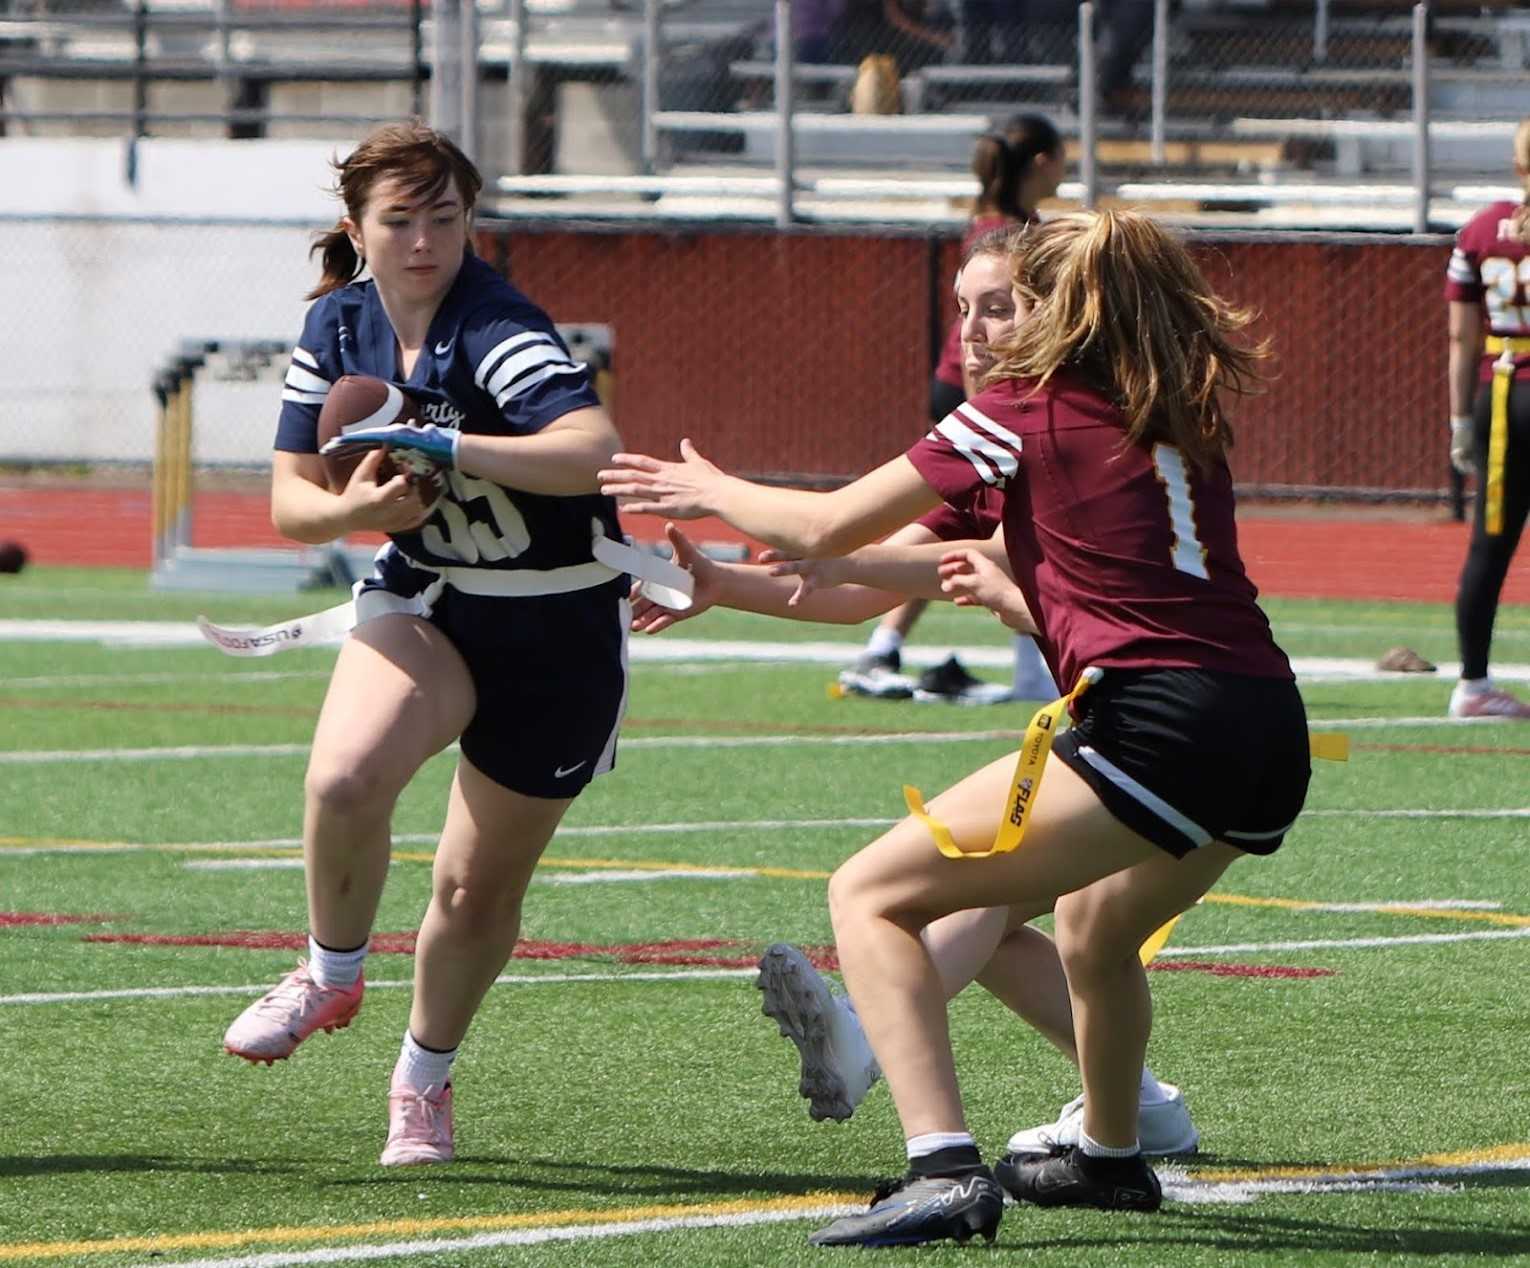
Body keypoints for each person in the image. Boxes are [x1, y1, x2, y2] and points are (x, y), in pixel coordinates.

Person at [600, 209, 1310, 1247]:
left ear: (1062, 310)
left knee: (870, 892)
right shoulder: (1165, 404)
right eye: (965, 311)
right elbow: (874, 573)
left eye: (1004, 306)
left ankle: (939, 1164)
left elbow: (824, 529)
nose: (975, 333)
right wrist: (729, 585)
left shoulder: (1020, 413)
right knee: (1094, 931)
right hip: (1264, 725)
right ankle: (1114, 1152)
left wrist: (709, 489)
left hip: (1159, 718)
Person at [220, 121, 632, 1167]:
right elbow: (289, 505)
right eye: (398, 221)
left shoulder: (496, 325)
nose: (422, 242)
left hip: (557, 616)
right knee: (344, 778)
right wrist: (358, 504)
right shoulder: (338, 327)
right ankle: (330, 968)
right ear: (357, 228)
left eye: (443, 218)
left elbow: (592, 448)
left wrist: (445, 441)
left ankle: (423, 1078)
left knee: (471, 889)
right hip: (431, 591)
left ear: (470, 220)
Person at [846, 116, 1065, 705]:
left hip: (985, 388)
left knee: (993, 526)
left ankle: (889, 645)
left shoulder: (1010, 226)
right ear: (1042, 163)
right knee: (983, 526)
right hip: (983, 387)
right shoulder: (1009, 237)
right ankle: (883, 644)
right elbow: (828, 521)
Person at [1442, 115, 1530, 719]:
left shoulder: (1481, 227)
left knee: (1488, 545)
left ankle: (1473, 684)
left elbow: (1459, 340)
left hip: (1498, 394)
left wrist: (1458, 422)